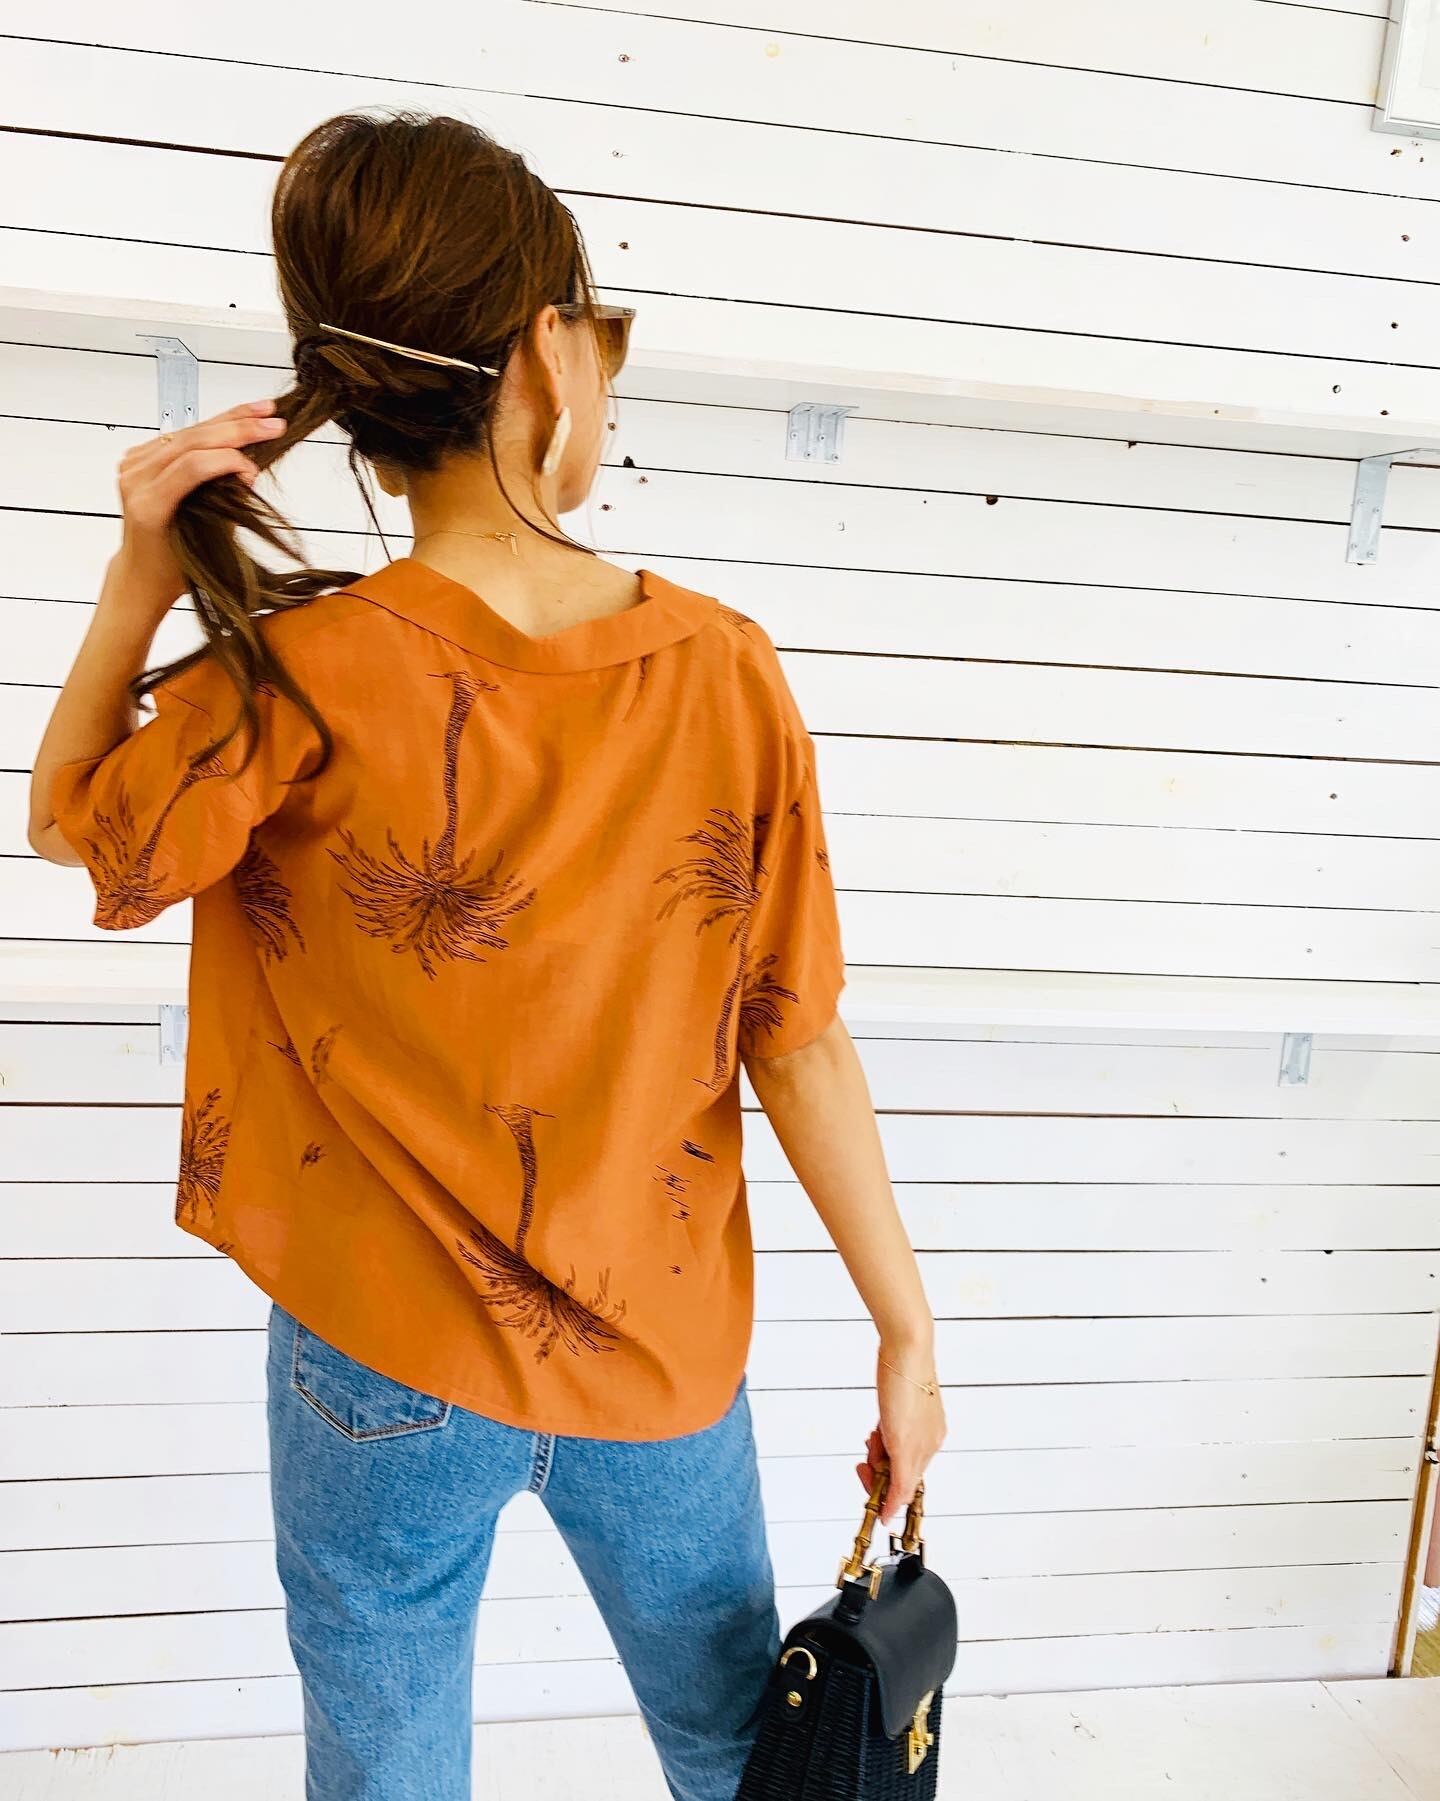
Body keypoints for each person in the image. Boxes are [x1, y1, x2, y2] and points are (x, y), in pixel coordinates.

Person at [28, 112, 946, 1801]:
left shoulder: (299, 674)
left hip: (378, 1359)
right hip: (659, 1353)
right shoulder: (723, 672)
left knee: (383, 1766)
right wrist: (906, 1327)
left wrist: (141, 572)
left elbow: (81, 824)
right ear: (544, 356)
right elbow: (797, 1033)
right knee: (744, 1756)